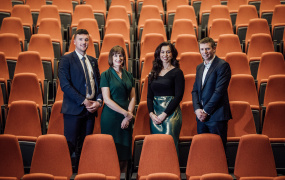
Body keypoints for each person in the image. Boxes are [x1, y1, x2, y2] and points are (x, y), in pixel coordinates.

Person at [58, 29, 102, 172]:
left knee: (85, 146)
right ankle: (63, 173)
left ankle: (81, 173)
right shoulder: (66, 59)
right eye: (81, 39)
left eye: (86, 40)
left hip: (90, 110)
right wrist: (84, 101)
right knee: (69, 145)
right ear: (74, 41)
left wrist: (99, 101)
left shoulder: (93, 61)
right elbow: (65, 85)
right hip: (74, 109)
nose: (84, 42)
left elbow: (99, 84)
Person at [100, 45, 135, 173]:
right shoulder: (105, 75)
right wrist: (126, 113)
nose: (118, 58)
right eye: (115, 55)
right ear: (111, 58)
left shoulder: (129, 75)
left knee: (124, 152)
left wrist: (129, 114)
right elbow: (107, 100)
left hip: (127, 116)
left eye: (120, 55)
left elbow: (132, 97)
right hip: (111, 116)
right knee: (111, 151)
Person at [192, 37, 232, 149]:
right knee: (203, 150)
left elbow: (219, 92)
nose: (204, 52)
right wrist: (197, 109)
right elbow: (195, 90)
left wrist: (205, 111)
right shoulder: (199, 67)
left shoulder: (222, 65)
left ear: (214, 49)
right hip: (201, 118)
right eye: (202, 49)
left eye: (207, 49)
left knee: (218, 150)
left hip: (216, 116)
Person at [147, 42, 185, 151]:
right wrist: (151, 114)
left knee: (170, 145)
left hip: (171, 114)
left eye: (168, 52)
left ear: (172, 54)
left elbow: (178, 96)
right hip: (155, 114)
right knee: (157, 146)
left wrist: (164, 114)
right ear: (159, 54)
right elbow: (149, 97)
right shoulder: (153, 73)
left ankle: (172, 168)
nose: (165, 55)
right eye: (162, 52)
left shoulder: (177, 72)